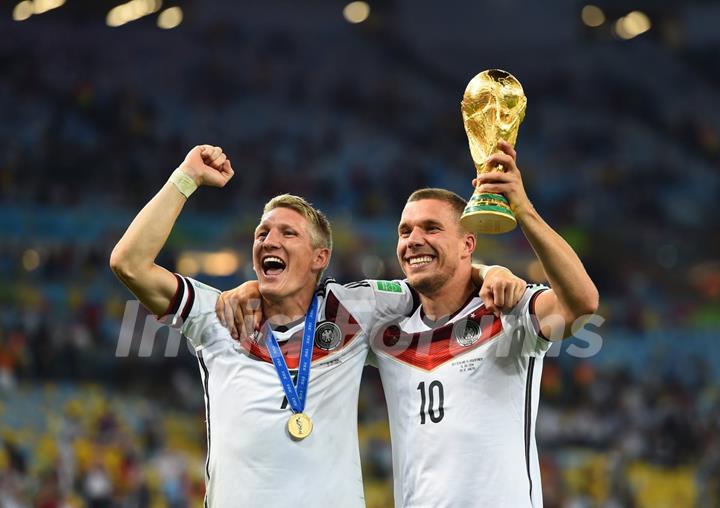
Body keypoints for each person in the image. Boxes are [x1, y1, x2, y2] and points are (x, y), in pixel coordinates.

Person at [109, 145, 525, 507]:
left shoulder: (357, 308)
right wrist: (186, 178)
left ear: (319, 258)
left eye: (288, 233)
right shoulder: (219, 315)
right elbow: (128, 264)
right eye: (262, 233)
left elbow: (437, 273)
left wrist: (490, 272)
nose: (268, 240)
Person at [220, 140, 599, 507]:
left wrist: (524, 213)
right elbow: (301, 299)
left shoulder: (507, 310)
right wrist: (257, 286)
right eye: (405, 231)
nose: (414, 240)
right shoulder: (385, 333)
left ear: (468, 244)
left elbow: (581, 304)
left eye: (431, 228)